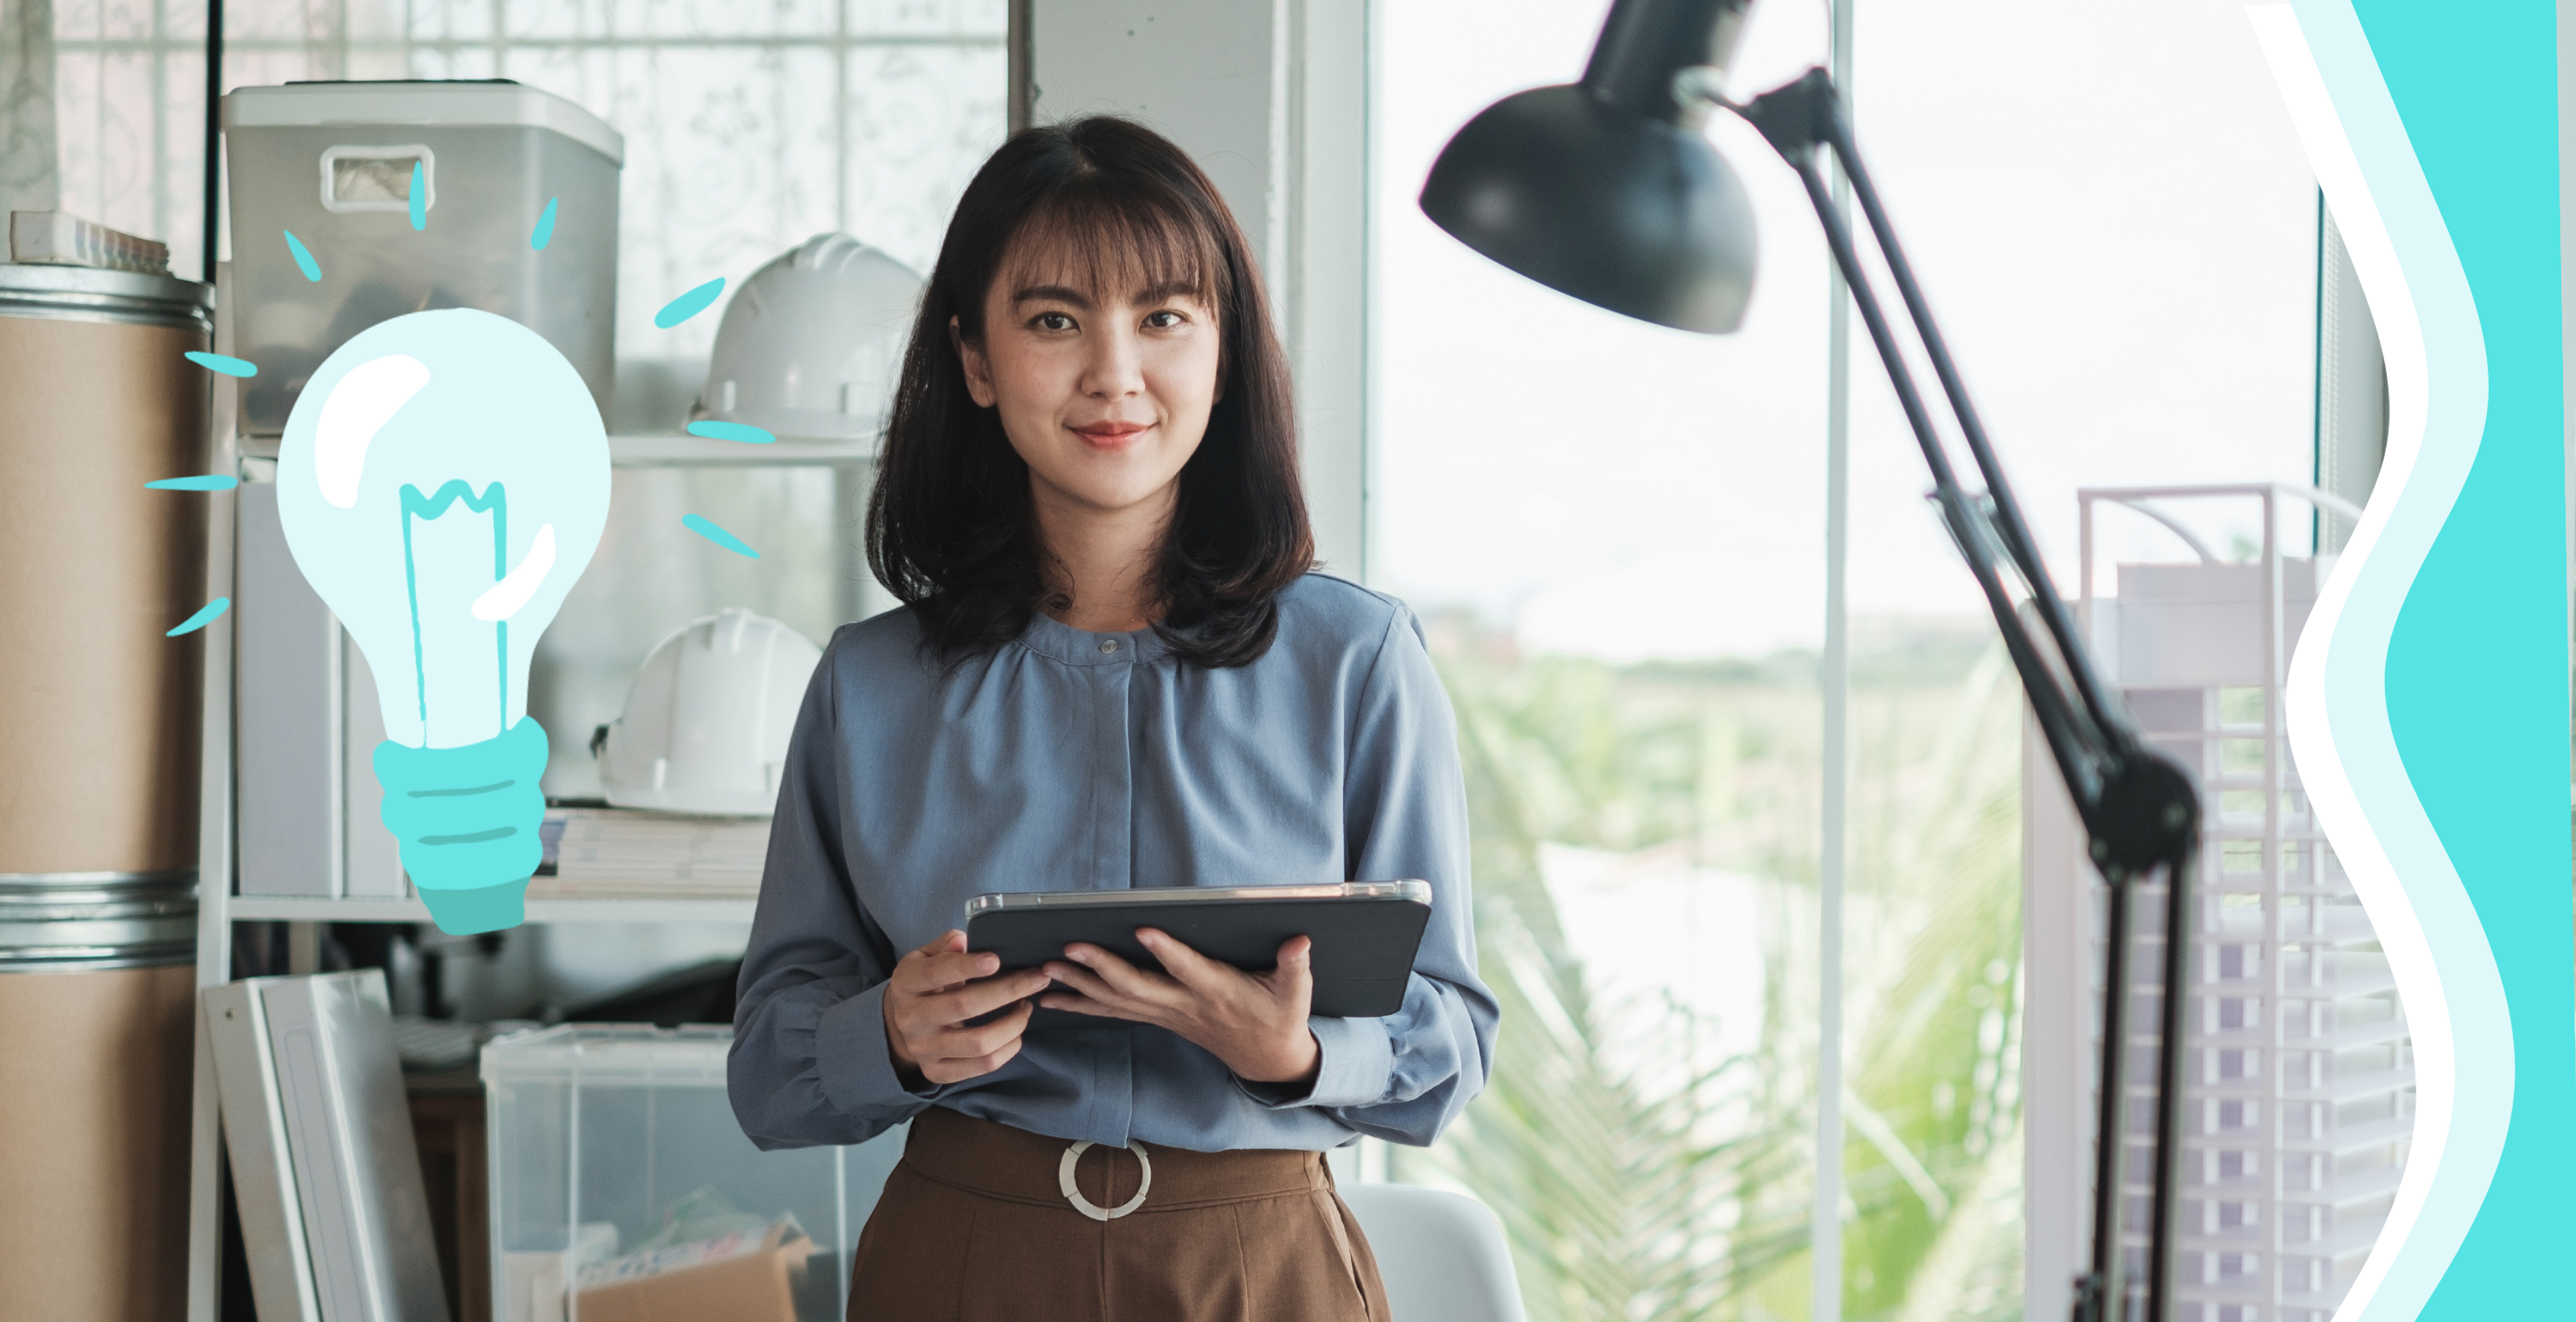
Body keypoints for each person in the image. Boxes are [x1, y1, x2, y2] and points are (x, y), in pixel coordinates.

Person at [729, 115, 1497, 1322]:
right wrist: (889, 1031)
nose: (1113, 373)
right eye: (1052, 320)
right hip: (961, 1261)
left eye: (1164, 317)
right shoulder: (867, 686)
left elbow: (1450, 1047)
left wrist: (1293, 1054)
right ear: (975, 361)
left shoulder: (1358, 661)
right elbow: (770, 1071)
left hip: (1260, 1263)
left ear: (1225, 352)